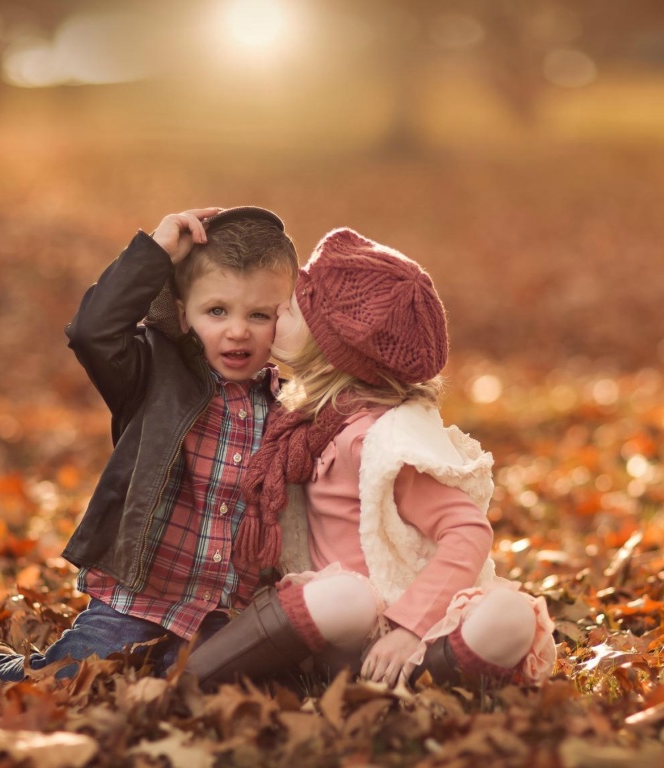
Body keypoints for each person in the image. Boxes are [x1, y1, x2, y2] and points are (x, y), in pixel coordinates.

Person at [185, 228, 557, 690]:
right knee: (346, 598)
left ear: (331, 348)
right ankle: (194, 677)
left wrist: (407, 629)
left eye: (294, 308)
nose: (279, 309)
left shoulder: (381, 441)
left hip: (408, 620)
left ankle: (411, 677)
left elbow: (466, 532)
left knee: (509, 615)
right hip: (338, 622)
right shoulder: (305, 422)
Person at [0, 206, 298, 699]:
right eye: (216, 311)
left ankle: (164, 671)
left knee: (197, 691)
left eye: (258, 315)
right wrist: (154, 254)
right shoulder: (154, 371)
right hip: (137, 600)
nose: (237, 331)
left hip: (225, 612)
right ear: (183, 311)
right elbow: (92, 332)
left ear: (284, 319)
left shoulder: (291, 404)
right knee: (70, 681)